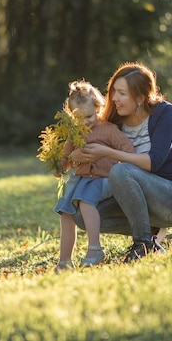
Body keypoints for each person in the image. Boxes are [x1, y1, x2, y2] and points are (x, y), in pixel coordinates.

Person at [70, 62, 172, 262]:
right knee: (81, 214)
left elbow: (154, 162)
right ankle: (151, 234)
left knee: (121, 171)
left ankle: (143, 243)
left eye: (121, 93)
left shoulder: (165, 113)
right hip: (134, 198)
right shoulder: (114, 119)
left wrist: (109, 152)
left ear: (140, 97)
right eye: (113, 92)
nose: (114, 98)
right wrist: (74, 155)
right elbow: (86, 141)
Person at [52, 80, 135, 271]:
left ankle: (95, 248)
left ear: (98, 108)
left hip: (104, 178)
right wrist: (62, 163)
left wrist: (109, 155)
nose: (85, 122)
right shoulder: (75, 135)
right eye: (79, 119)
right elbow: (63, 163)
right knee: (66, 213)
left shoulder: (108, 130)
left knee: (85, 201)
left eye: (89, 116)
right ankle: (64, 261)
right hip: (82, 180)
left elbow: (128, 149)